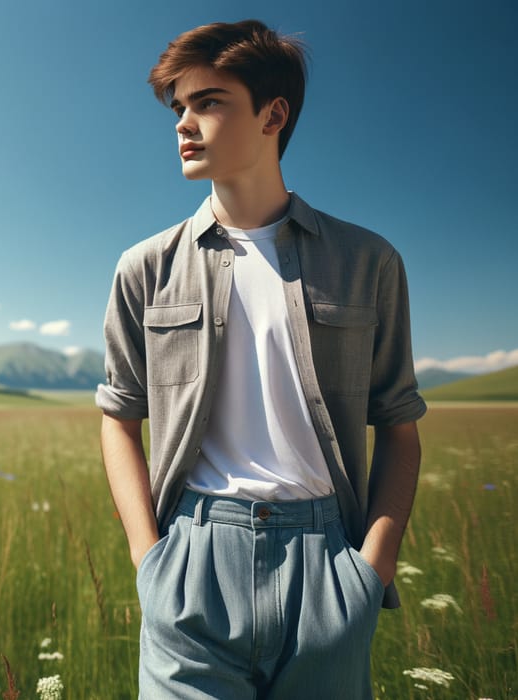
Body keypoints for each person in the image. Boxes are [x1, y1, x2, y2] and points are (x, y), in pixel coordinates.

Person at [96, 19, 426, 699]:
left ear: (274, 114)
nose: (185, 123)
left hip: (327, 564)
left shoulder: (368, 262)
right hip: (191, 559)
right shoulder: (144, 268)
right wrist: (149, 560)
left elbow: (398, 425)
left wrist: (371, 573)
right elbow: (118, 417)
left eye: (209, 102)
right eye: (178, 107)